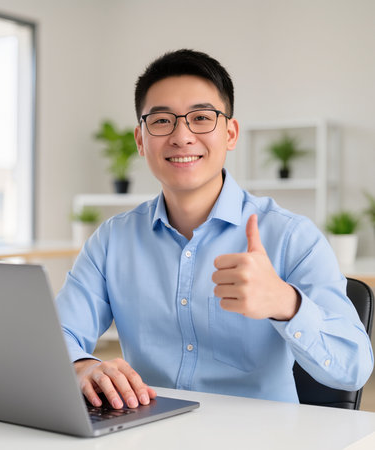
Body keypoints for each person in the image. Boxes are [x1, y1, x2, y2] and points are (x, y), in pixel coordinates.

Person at [56, 49, 373, 410]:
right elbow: (57, 335)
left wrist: (285, 302)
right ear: (141, 140)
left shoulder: (291, 237)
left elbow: (354, 369)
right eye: (161, 121)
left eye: (201, 118)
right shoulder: (113, 240)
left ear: (230, 133)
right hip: (150, 431)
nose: (181, 135)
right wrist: (81, 365)